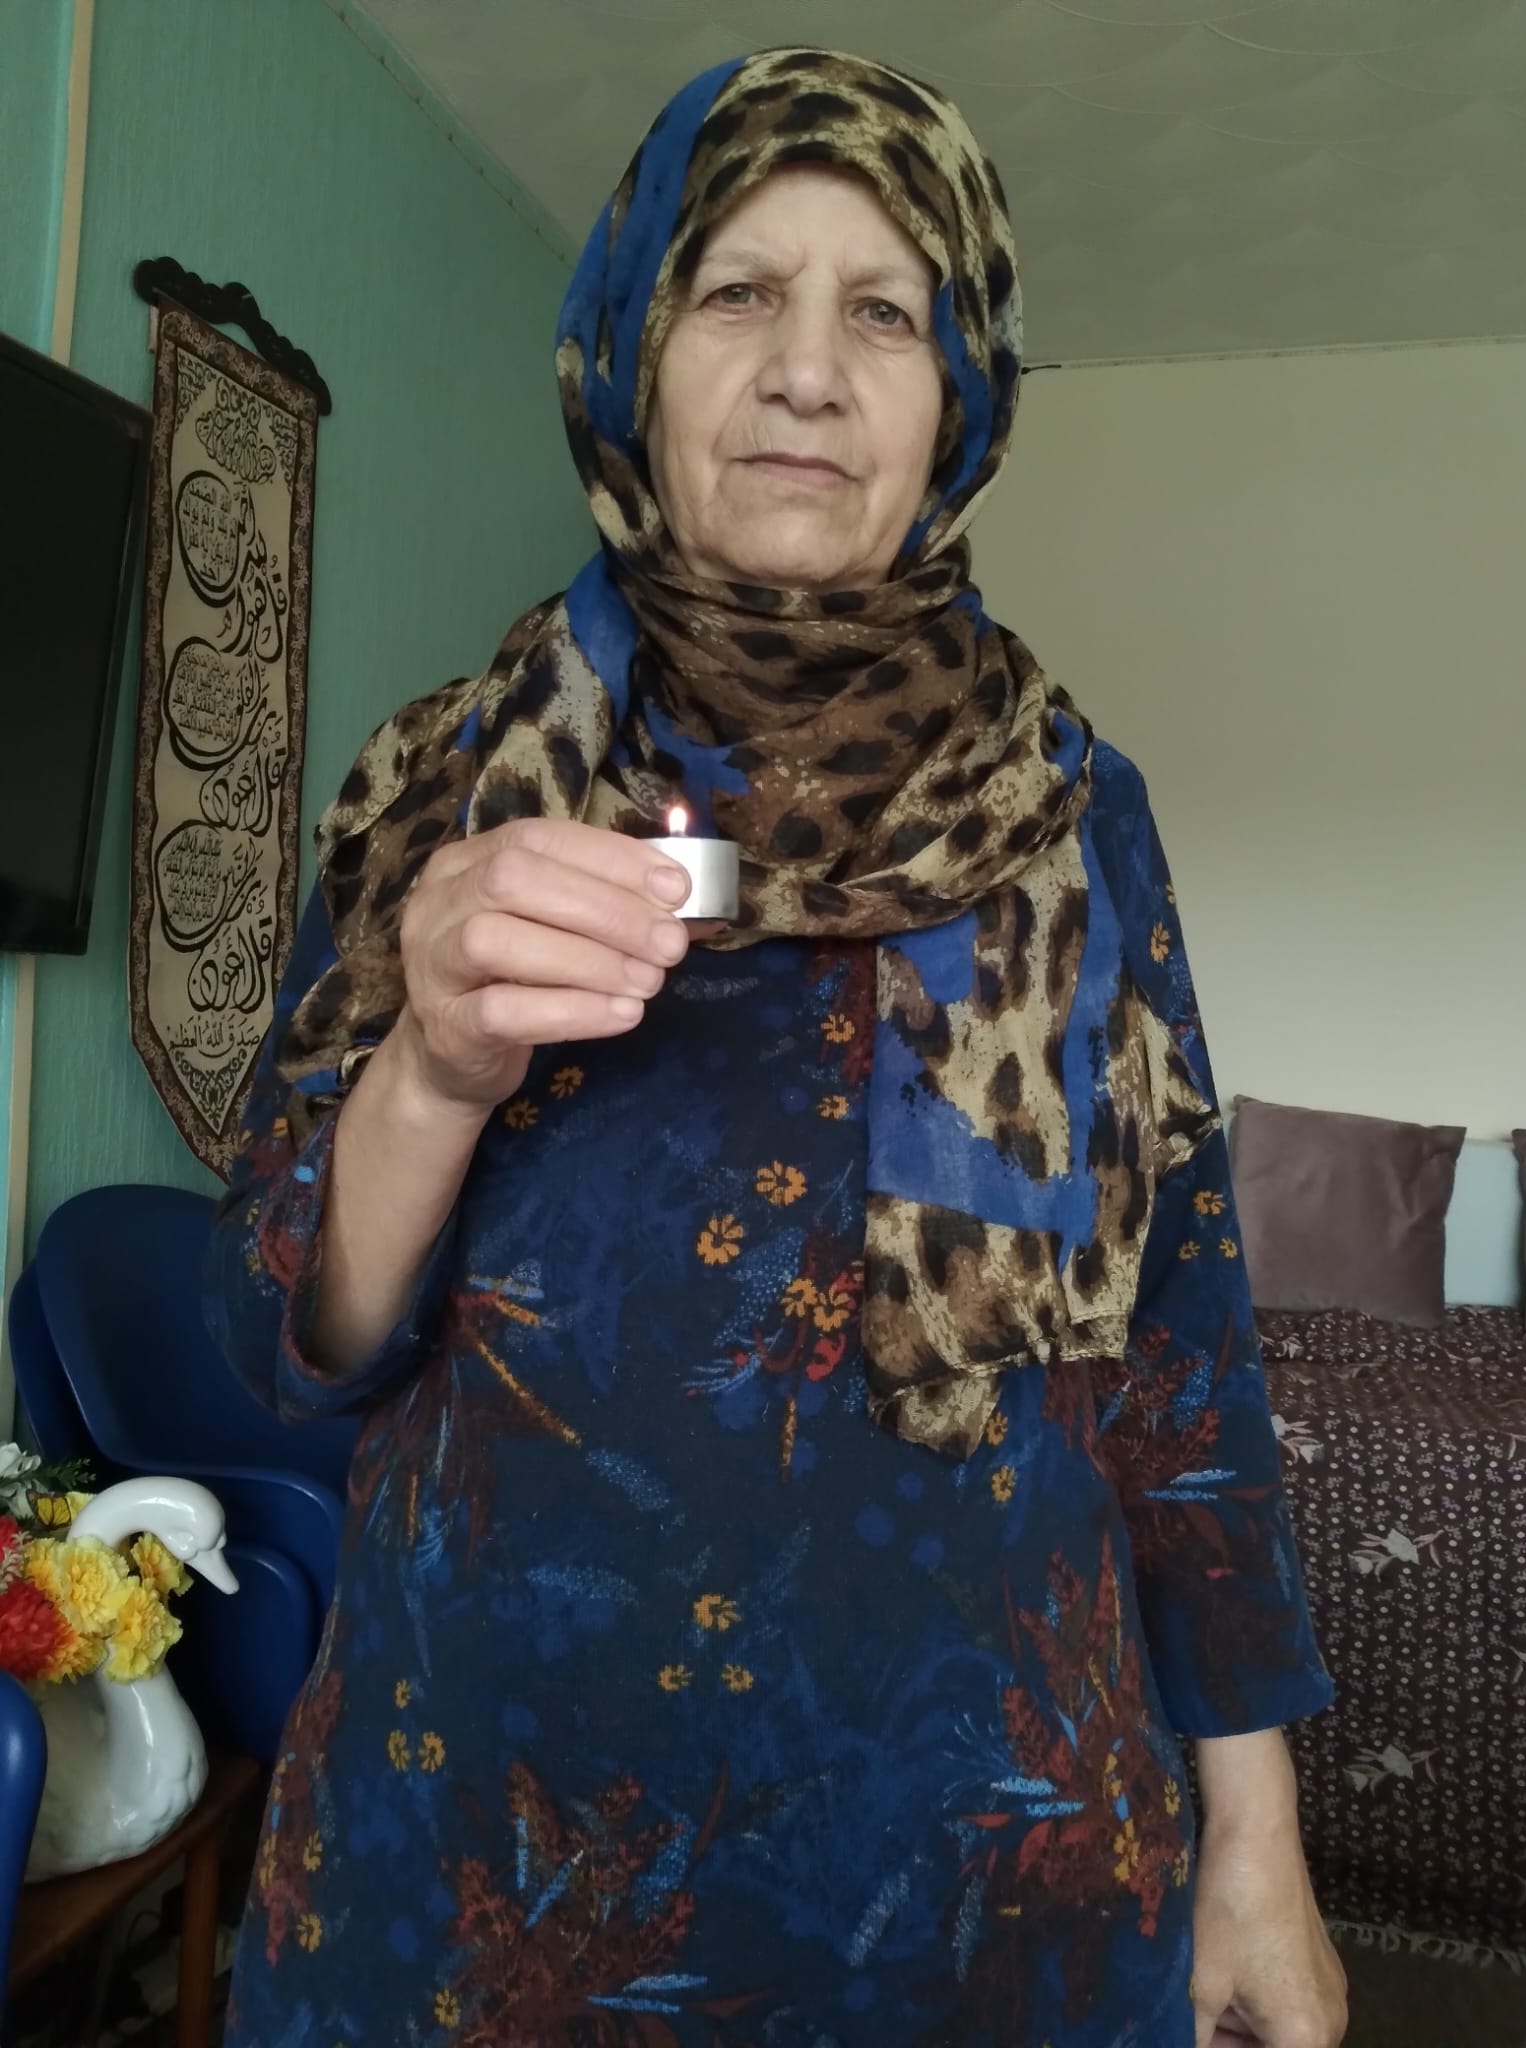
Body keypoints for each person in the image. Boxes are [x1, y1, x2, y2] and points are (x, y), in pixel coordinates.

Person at [209, 46, 1347, 2048]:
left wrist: (1256, 1840)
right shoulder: (447, 789)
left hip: (991, 1907)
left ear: (958, 397)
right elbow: (284, 1337)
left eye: (884, 313)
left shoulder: (1078, 818)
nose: (809, 372)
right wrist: (432, 1071)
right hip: (483, 1887)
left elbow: (1183, 1343)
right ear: (631, 358)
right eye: (738, 291)